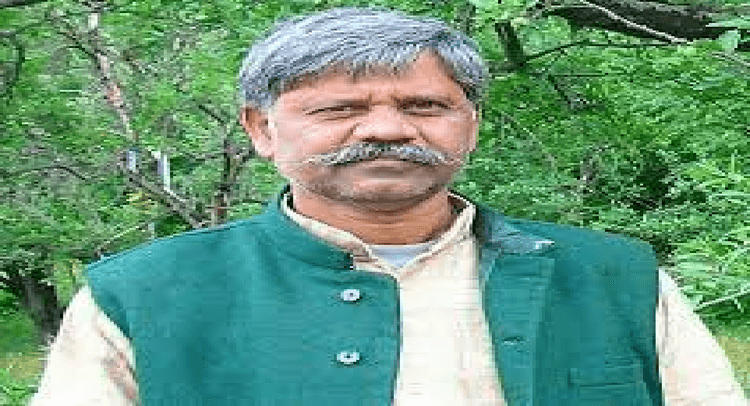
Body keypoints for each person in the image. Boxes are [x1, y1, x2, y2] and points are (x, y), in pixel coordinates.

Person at [30, 6, 747, 406]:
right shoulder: (143, 293)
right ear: (261, 130)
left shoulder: (611, 277)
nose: (387, 129)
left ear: (471, 124)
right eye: (340, 108)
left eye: (424, 105)